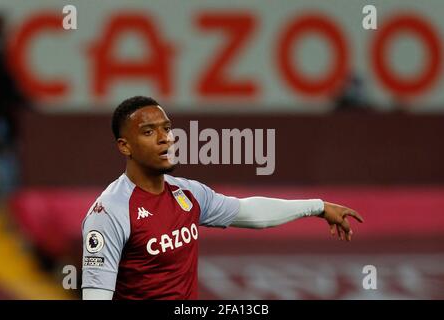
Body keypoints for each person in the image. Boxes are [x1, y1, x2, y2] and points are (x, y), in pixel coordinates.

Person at [81, 96, 364, 300]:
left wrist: (318, 207)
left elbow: (250, 213)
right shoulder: (109, 213)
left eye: (166, 128)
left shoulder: (188, 194)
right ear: (125, 146)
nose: (164, 138)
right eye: (148, 131)